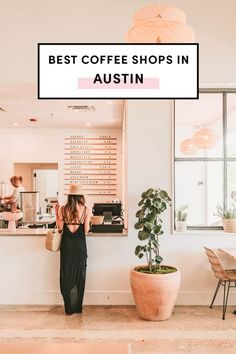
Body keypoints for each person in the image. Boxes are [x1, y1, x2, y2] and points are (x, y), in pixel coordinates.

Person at [55, 184, 90, 315]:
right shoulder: (86, 209)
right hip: (80, 246)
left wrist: (56, 212)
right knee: (79, 275)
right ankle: (77, 307)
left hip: (67, 246)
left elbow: (59, 228)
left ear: (69, 196)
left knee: (66, 273)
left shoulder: (63, 209)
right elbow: (86, 230)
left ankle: (69, 308)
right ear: (81, 196)